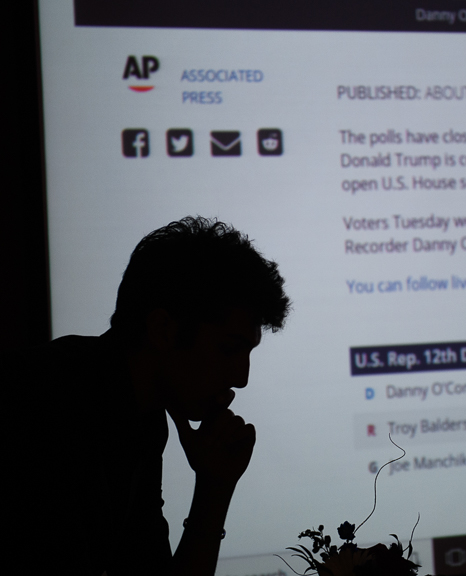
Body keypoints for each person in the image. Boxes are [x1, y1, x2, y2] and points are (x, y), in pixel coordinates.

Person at [8, 216, 291, 575]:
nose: (241, 378)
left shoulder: (143, 416)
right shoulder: (46, 409)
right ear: (161, 329)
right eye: (228, 350)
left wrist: (214, 490)